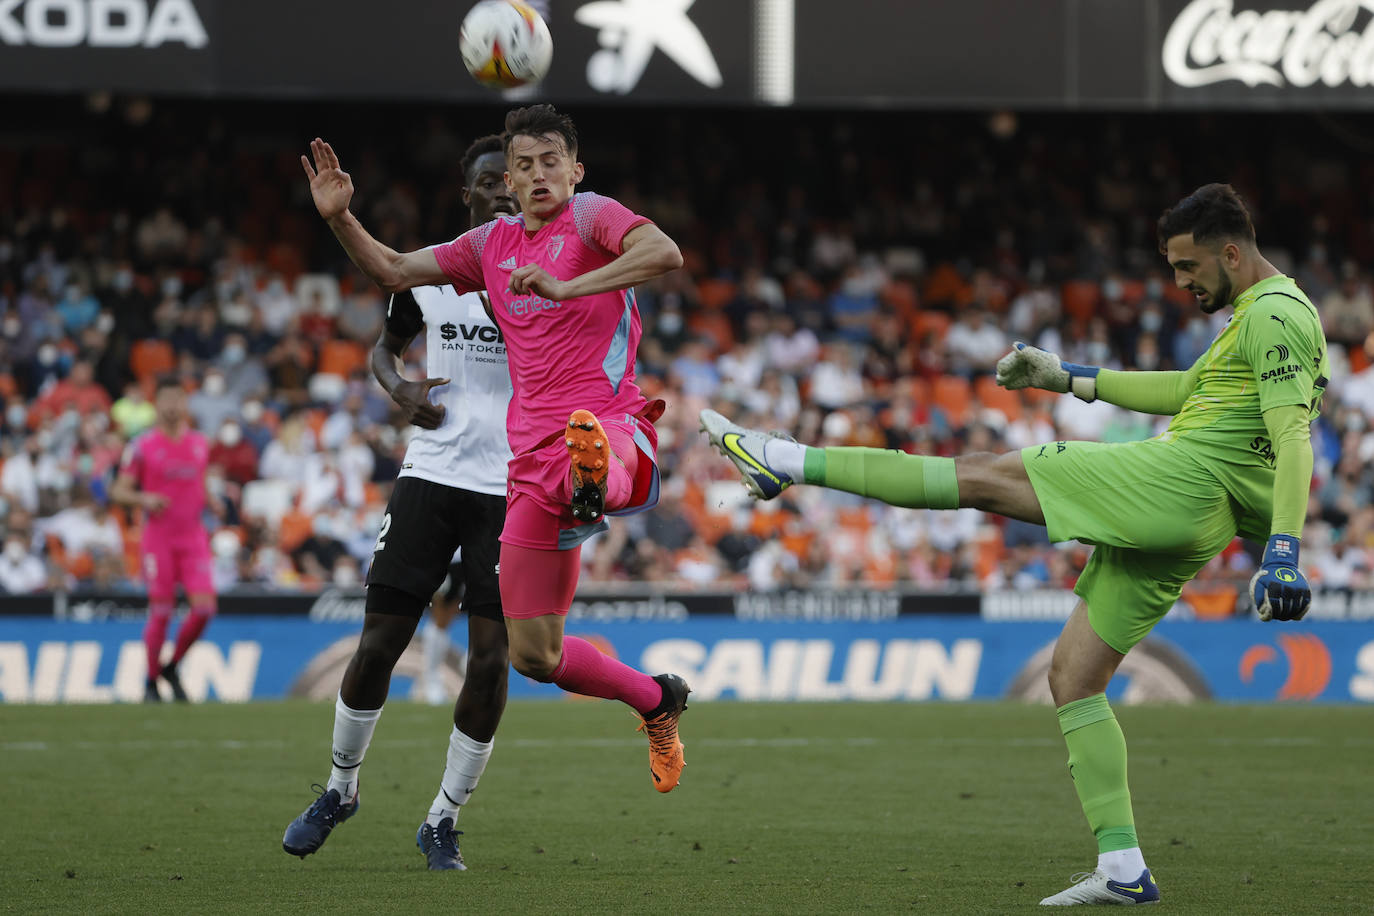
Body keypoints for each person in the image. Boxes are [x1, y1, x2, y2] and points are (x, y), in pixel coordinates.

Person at [701, 183, 1325, 907]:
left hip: (1180, 482)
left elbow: (1291, 438)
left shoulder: (1276, 315)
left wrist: (1283, 550)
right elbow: (1187, 390)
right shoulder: (1262, 313)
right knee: (1074, 676)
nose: (1179, 283)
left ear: (1230, 251)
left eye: (1188, 267)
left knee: (979, 477)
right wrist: (1067, 378)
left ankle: (785, 460)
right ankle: (1122, 867)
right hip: (1192, 508)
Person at [300, 105, 691, 806]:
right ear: (508, 177)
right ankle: (656, 700)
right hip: (529, 467)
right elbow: (392, 271)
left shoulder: (593, 218)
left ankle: (595, 472)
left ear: (576, 170)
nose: (539, 175)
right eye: (525, 164)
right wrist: (338, 218)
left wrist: (570, 286)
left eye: (552, 162)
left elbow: (664, 253)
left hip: (611, 421)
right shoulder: (489, 245)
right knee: (535, 656)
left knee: (603, 456)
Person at [282, 135, 517, 871]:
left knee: (490, 662)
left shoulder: (548, 280)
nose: (506, 191)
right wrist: (399, 387)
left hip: (514, 489)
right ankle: (340, 789)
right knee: (379, 643)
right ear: (468, 198)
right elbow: (387, 349)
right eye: (490, 183)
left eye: (514, 182)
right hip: (434, 474)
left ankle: (442, 820)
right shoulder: (432, 274)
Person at [111, 375, 219, 702]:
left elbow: (198, 483)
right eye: (166, 399)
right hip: (158, 539)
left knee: (204, 610)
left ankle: (173, 665)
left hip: (193, 537)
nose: (172, 406)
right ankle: (150, 681)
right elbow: (118, 490)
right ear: (156, 404)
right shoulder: (143, 446)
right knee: (161, 611)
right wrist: (145, 500)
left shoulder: (200, 443)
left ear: (184, 403)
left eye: (177, 399)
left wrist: (212, 500)